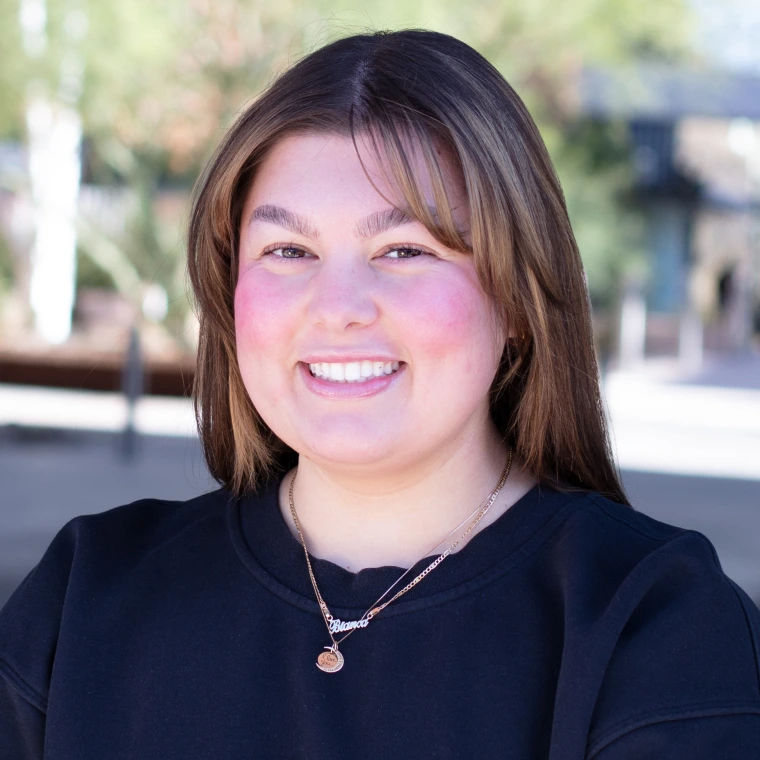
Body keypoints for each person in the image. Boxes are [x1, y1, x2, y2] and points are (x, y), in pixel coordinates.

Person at [1, 29, 759, 759]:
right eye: (288, 250)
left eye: (403, 249)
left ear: (519, 303)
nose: (338, 305)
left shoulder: (655, 626)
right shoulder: (85, 598)